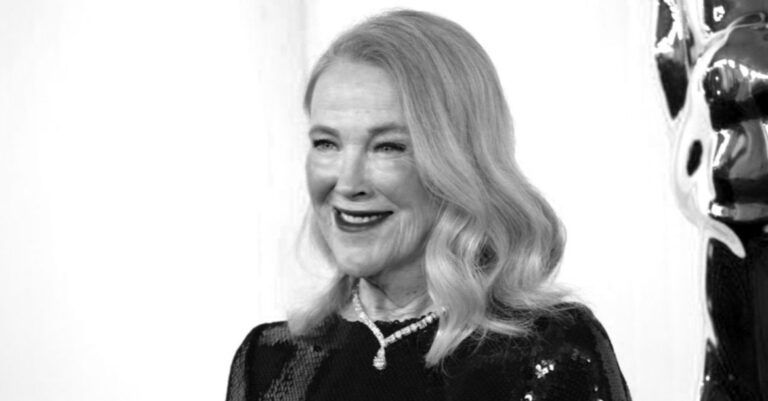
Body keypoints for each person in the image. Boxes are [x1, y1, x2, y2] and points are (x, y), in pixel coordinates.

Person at [226, 9, 631, 401]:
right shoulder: (268, 361)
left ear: (459, 162)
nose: (347, 183)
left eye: (388, 146)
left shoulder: (551, 351)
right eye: (326, 143)